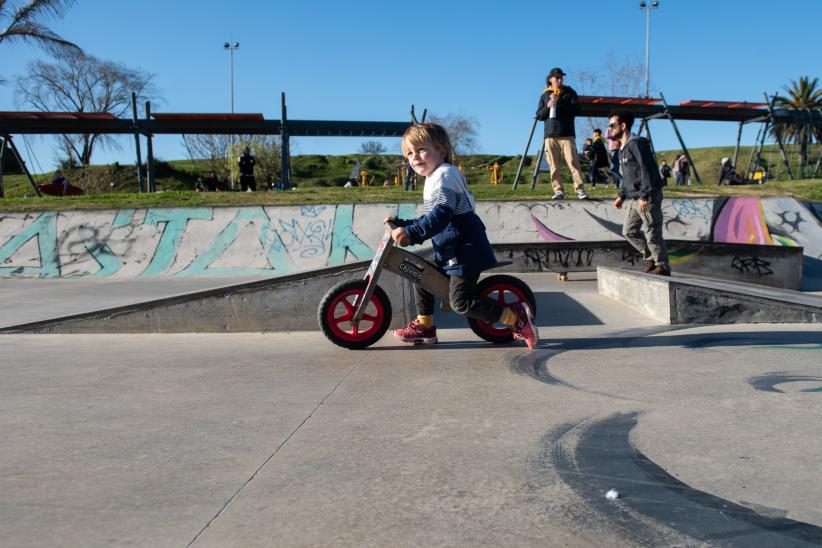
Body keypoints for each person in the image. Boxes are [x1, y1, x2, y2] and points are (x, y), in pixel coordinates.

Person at [385, 123, 538, 349]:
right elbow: (431, 216)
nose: (414, 157)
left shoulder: (445, 175)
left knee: (461, 303)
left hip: (465, 251)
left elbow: (441, 215)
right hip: (450, 250)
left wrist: (412, 233)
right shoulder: (434, 177)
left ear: (442, 151)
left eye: (420, 150)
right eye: (409, 153)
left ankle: (515, 317)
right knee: (419, 273)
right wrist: (402, 224)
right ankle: (425, 326)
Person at [609, 110, 670, 276]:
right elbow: (628, 176)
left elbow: (648, 170)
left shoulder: (636, 144)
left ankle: (662, 265)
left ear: (623, 125)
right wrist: (621, 196)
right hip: (633, 198)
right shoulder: (622, 148)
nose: (610, 129)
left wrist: (645, 196)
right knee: (629, 231)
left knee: (652, 231)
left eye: (613, 125)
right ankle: (650, 256)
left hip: (646, 196)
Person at [535, 67, 588, 200]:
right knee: (554, 166)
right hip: (550, 136)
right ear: (550, 79)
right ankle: (558, 190)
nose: (560, 79)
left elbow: (576, 109)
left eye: (561, 77)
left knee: (573, 163)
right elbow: (539, 115)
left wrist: (561, 101)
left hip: (567, 135)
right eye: (557, 77)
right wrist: (547, 107)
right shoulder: (544, 95)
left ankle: (580, 189)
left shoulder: (569, 93)